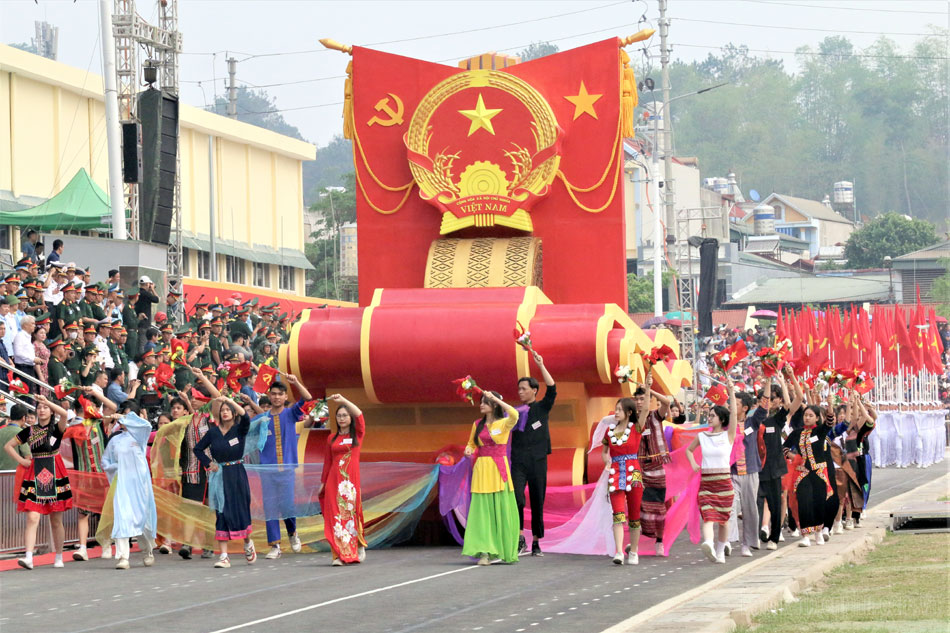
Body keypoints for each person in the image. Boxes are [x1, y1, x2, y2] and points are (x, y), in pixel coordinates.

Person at [4, 394, 72, 569]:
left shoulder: (57, 428)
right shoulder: (29, 431)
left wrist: (47, 401)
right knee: (32, 516)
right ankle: (28, 557)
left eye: (45, 408)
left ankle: (58, 555)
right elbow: (8, 446)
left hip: (54, 471)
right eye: (39, 408)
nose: (41, 410)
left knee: (56, 519)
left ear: (51, 410)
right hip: (35, 472)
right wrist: (22, 461)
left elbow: (64, 413)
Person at [194, 395, 257, 568]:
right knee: (221, 511)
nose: (225, 412)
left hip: (237, 474)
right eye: (223, 410)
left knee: (240, 509)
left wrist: (230, 401)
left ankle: (247, 543)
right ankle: (223, 556)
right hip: (219, 476)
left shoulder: (240, 429)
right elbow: (197, 449)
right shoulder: (213, 432)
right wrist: (209, 464)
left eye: (228, 410)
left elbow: (245, 416)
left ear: (233, 412)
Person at [461, 389, 521, 565]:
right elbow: (472, 443)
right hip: (482, 470)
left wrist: (496, 398)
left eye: (485, 402)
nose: (481, 405)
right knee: (482, 512)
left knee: (501, 510)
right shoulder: (477, 424)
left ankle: (503, 549)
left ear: (494, 405)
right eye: (481, 402)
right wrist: (469, 450)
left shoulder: (504, 424)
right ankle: (485, 552)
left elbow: (515, 414)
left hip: (498, 469)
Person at [687, 374, 738, 564]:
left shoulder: (728, 436)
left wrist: (731, 391)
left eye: (712, 416)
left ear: (721, 419)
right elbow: (689, 451)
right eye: (708, 415)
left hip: (724, 483)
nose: (709, 418)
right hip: (707, 483)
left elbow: (734, 414)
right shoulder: (702, 436)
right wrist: (693, 464)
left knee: (724, 520)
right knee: (707, 515)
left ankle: (720, 549)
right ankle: (708, 543)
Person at [260, 374, 312, 558]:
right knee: (270, 507)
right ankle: (275, 546)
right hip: (267, 471)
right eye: (273, 394)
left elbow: (307, 398)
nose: (275, 397)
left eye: (279, 394)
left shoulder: (290, 414)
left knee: (287, 505)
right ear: (269, 395)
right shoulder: (262, 420)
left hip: (287, 469)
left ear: (284, 397)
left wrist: (296, 382)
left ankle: (292, 532)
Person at [100, 407, 157, 569]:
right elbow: (105, 462)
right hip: (122, 485)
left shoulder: (139, 436)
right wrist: (116, 467)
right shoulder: (115, 440)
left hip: (140, 485)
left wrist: (125, 417)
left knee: (142, 520)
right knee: (122, 518)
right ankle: (123, 557)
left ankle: (148, 551)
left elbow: (146, 425)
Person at [511, 350, 555, 557]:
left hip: (538, 461)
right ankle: (520, 538)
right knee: (517, 498)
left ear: (534, 390)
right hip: (518, 461)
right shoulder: (515, 412)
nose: (520, 392)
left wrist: (541, 364)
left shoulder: (542, 408)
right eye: (519, 389)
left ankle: (536, 541)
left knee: (538, 500)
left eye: (524, 389)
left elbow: (553, 388)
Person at [318, 394, 367, 565]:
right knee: (335, 517)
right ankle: (337, 554)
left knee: (351, 515)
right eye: (339, 416)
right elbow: (327, 462)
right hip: (333, 480)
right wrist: (323, 484)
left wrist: (344, 400)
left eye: (345, 415)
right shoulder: (331, 438)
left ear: (350, 418)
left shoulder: (357, 435)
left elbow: (360, 414)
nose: (342, 418)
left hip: (350, 483)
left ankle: (358, 545)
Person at [783, 403, 837, 548]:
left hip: (819, 473)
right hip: (803, 473)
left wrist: (830, 406)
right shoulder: (797, 433)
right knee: (804, 501)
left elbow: (830, 421)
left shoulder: (820, 431)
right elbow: (784, 446)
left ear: (817, 418)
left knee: (818, 503)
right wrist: (792, 456)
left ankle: (818, 531)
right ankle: (805, 535)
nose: (807, 418)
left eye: (810, 415)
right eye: (805, 415)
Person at [756, 371, 799, 550]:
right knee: (754, 505)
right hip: (755, 469)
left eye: (773, 398)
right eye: (765, 398)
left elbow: (792, 404)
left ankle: (774, 537)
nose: (769, 401)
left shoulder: (777, 420)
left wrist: (782, 382)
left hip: (773, 469)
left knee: (775, 504)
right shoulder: (754, 420)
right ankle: (756, 535)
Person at [603, 392, 647, 565]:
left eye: (620, 409)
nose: (616, 412)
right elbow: (605, 453)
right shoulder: (609, 431)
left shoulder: (636, 428)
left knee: (635, 515)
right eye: (616, 409)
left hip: (633, 474)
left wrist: (648, 387)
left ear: (629, 412)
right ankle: (619, 551)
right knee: (617, 514)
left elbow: (645, 412)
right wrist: (607, 461)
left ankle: (634, 551)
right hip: (615, 474)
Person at [728, 391, 765, 557]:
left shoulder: (752, 422)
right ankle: (727, 540)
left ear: (744, 408)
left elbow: (764, 408)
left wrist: (770, 380)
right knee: (730, 505)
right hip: (731, 472)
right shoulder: (727, 423)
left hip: (750, 471)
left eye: (735, 404)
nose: (731, 406)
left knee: (750, 509)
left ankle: (747, 544)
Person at [0, 404, 32, 471]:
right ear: (23, 418)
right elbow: (27, 456)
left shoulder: (1, 431)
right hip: (16, 473)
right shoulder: (22, 433)